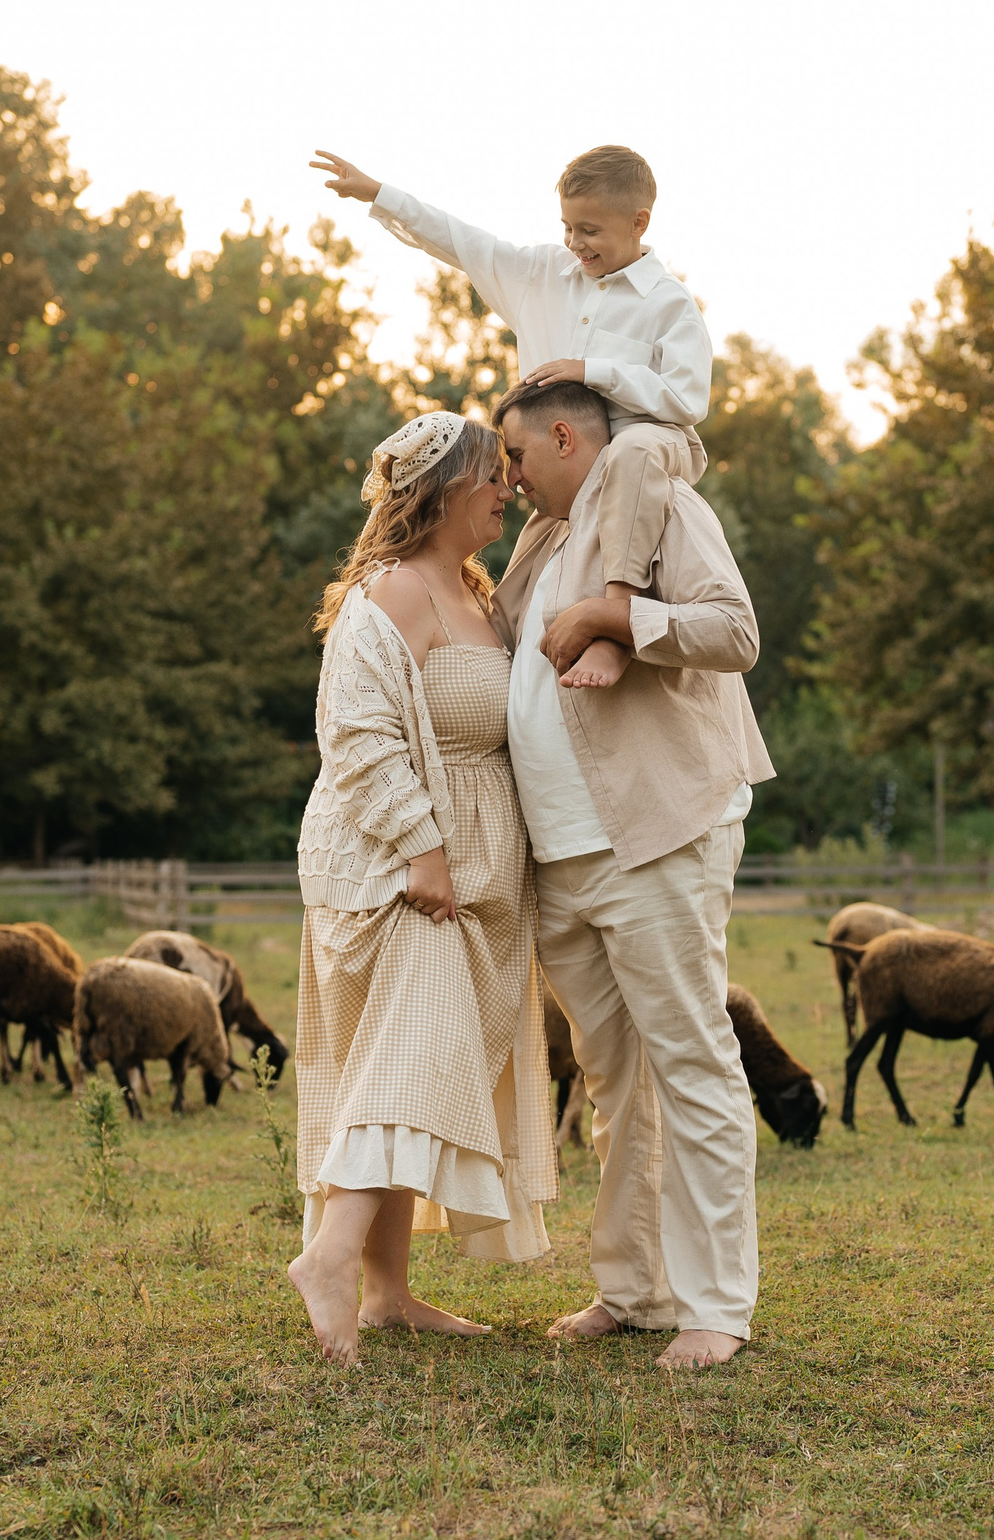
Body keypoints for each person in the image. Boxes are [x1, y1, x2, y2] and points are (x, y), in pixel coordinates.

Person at [490, 379, 776, 1371]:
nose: (510, 481)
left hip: (652, 836)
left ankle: (716, 1305)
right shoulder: (546, 539)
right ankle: (635, 1287)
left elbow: (733, 630)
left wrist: (625, 622)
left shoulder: (662, 509)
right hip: (561, 857)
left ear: (565, 436)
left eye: (518, 460)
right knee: (615, 1079)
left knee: (690, 1062)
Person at [289, 411, 558, 1368]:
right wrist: (422, 849)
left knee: (412, 1066)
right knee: (408, 1063)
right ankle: (328, 1259)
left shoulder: (478, 593)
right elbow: (358, 737)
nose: (508, 486)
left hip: (474, 873)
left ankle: (390, 1291)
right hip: (395, 868)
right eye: (493, 473)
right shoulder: (392, 593)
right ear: (440, 488)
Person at [310, 143, 706, 693]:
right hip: (567, 477)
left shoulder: (668, 303)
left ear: (639, 222)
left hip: (648, 445)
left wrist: (594, 370)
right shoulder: (545, 273)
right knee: (514, 589)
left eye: (589, 230)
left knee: (633, 451)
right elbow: (464, 241)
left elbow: (688, 399)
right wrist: (380, 194)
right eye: (568, 227)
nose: (575, 243)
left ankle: (616, 622)